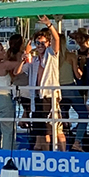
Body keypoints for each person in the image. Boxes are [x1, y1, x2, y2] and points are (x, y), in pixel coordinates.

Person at [25, 15, 64, 151]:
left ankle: (49, 157)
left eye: (43, 43)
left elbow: (57, 39)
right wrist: (27, 51)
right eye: (38, 43)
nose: (40, 46)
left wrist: (49, 25)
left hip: (49, 96)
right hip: (36, 97)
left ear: (47, 43)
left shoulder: (51, 55)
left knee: (47, 133)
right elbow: (21, 70)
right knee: (38, 133)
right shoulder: (35, 60)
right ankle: (38, 157)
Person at [58, 33, 89, 151]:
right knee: (83, 115)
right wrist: (81, 65)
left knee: (60, 117)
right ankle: (77, 142)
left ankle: (59, 142)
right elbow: (78, 75)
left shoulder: (52, 57)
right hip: (70, 88)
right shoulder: (71, 56)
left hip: (57, 91)